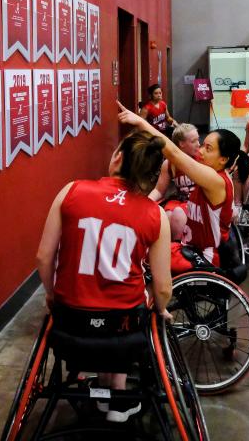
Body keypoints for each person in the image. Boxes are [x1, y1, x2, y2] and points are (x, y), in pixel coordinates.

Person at [35, 130, 172, 422]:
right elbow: (162, 288)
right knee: (134, 303)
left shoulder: (71, 191)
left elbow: (44, 257)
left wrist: (51, 294)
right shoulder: (154, 214)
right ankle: (118, 397)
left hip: (70, 324)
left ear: (118, 158)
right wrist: (162, 309)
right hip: (123, 330)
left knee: (96, 302)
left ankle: (104, 388)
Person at [119, 102, 242, 274]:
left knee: (143, 257)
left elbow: (174, 154)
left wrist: (142, 123)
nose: (200, 151)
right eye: (200, 145)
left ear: (223, 159)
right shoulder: (209, 171)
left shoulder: (216, 180)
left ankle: (151, 297)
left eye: (208, 148)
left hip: (204, 255)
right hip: (190, 246)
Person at [149, 123, 200, 242]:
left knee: (178, 215)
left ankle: (179, 249)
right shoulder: (169, 163)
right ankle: (169, 250)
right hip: (181, 201)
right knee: (166, 215)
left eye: (198, 139)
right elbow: (158, 190)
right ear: (181, 144)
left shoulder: (203, 159)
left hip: (199, 204)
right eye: (194, 141)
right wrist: (144, 203)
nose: (199, 144)